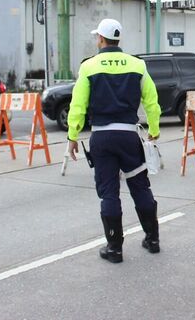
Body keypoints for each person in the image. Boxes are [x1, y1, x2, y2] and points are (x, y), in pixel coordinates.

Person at [67, 19, 162, 263]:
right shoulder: (137, 65)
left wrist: (73, 136)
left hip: (102, 136)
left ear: (100, 39)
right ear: (118, 40)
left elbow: (78, 105)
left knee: (109, 193)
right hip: (130, 135)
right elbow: (152, 101)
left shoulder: (89, 67)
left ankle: (114, 249)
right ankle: (152, 240)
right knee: (140, 187)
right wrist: (154, 129)